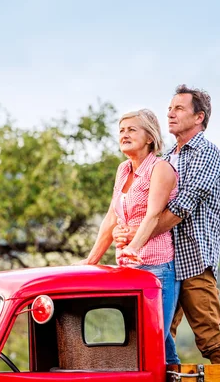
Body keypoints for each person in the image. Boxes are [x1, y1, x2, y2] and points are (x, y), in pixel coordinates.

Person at [114, 85, 220, 364]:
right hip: (164, 260)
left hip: (193, 261)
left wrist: (136, 236)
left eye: (179, 108)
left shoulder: (208, 154)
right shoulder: (167, 157)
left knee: (209, 338)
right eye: (169, 108)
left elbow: (180, 208)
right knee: (157, 336)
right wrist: (124, 231)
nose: (170, 113)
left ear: (199, 117)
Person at [79, 108, 180, 364]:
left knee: (153, 340)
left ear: (149, 137)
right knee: (145, 340)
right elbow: (111, 217)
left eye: (131, 129)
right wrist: (91, 261)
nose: (124, 134)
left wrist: (133, 246)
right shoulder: (123, 169)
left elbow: (154, 216)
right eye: (121, 130)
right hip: (128, 269)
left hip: (157, 268)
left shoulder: (161, 169)